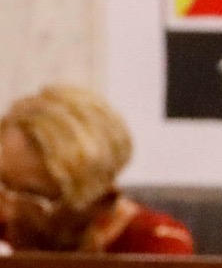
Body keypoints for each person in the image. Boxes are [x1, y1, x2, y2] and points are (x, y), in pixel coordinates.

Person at [0, 84, 194, 254]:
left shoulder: (155, 247)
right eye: (3, 185)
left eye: (34, 198)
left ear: (103, 201)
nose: (8, 211)